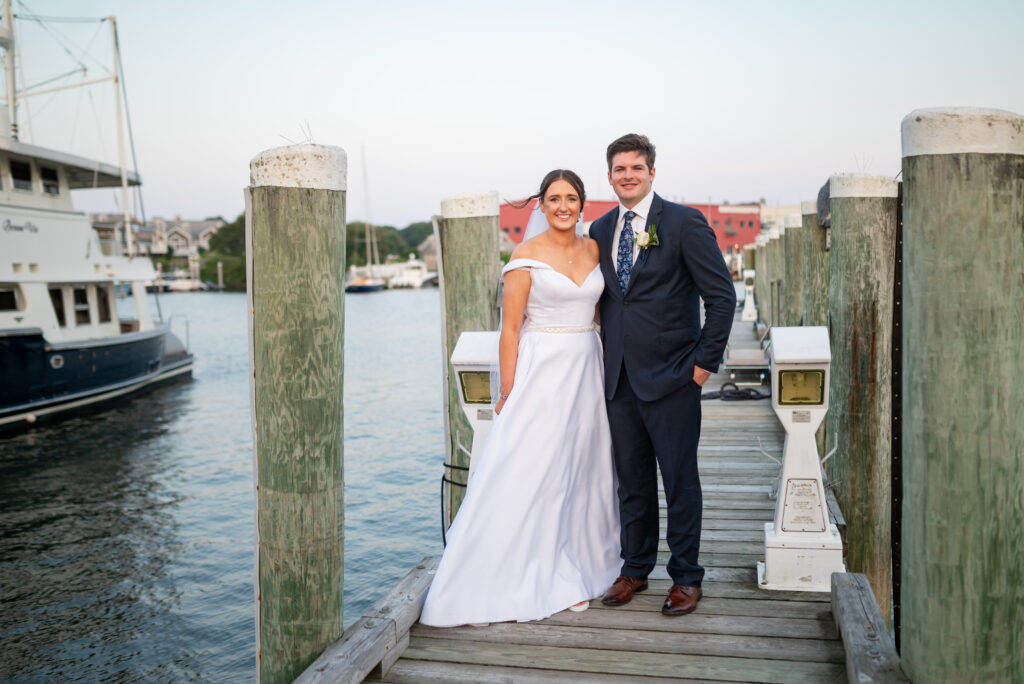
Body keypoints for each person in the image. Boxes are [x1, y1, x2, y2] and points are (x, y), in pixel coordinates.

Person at [419, 170, 620, 627]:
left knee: (582, 467)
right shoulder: (525, 255)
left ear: (582, 204)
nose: (563, 206)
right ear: (541, 205)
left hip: (587, 367)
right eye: (554, 199)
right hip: (541, 370)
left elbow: (600, 313)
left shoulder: (594, 249)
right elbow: (509, 330)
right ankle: (531, 571)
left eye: (571, 198)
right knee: (537, 468)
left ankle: (582, 560)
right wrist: (509, 391)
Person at [590, 134, 736, 616]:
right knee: (631, 483)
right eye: (619, 168)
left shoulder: (683, 222)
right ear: (609, 176)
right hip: (619, 380)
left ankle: (687, 577)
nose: (628, 175)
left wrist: (702, 365)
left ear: (652, 172)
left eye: (637, 167)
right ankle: (635, 568)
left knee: (679, 481)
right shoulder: (600, 229)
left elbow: (721, 297)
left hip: (675, 377)